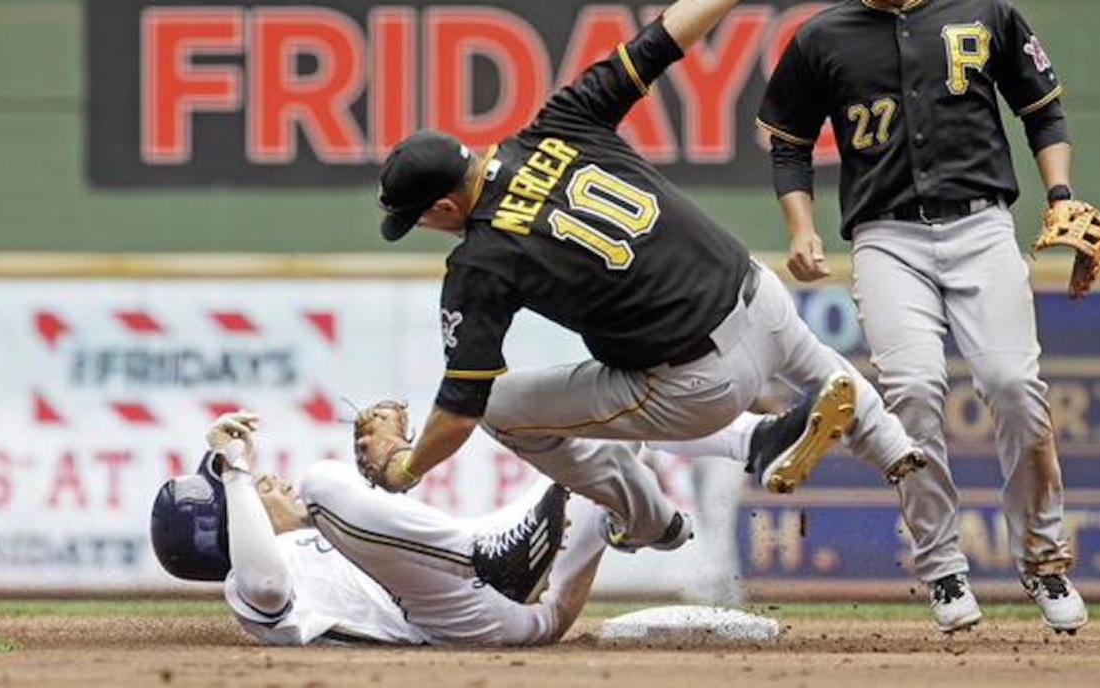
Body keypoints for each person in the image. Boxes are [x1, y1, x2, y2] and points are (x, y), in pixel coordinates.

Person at [363, 0, 924, 555]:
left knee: (505, 411)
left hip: (698, 384)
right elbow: (665, 37)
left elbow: (462, 407)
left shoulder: (479, 261)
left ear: (440, 207)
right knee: (610, 395)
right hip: (763, 300)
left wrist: (405, 469)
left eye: (418, 220)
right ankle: (898, 457)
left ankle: (658, 515)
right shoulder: (560, 121)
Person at [757, 0, 1088, 633]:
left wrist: (1062, 196)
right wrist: (800, 228)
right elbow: (789, 145)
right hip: (886, 237)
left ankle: (1044, 560)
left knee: (1015, 387)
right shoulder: (823, 36)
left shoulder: (986, 12)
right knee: (912, 391)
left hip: (982, 225)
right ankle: (942, 568)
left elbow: (1043, 112)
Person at [150, 413, 600, 646]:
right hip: (455, 618)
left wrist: (389, 471)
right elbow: (264, 583)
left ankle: (650, 522)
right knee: (319, 479)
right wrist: (235, 473)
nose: (269, 480)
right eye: (255, 487)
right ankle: (484, 555)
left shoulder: (330, 534)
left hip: (523, 606)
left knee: (600, 440)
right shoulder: (249, 587)